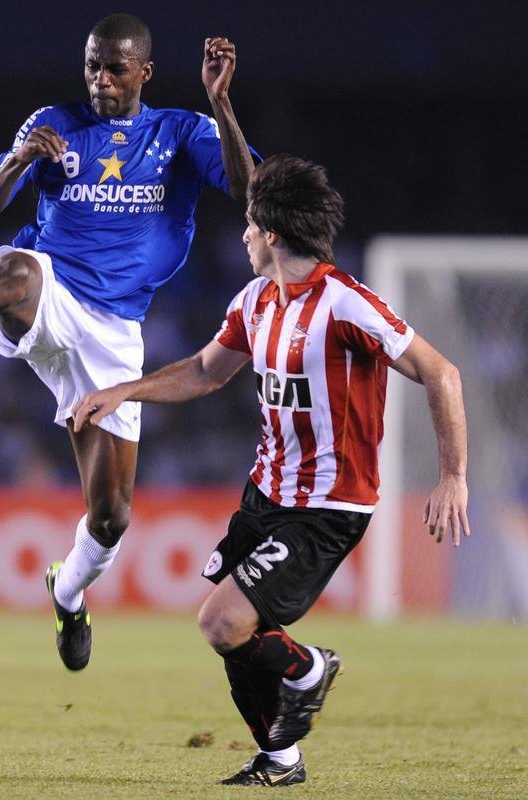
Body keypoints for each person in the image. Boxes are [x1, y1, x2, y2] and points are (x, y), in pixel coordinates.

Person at [0, 14, 255, 671]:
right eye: (92, 65)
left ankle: (67, 594)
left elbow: (248, 188)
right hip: (50, 291)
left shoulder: (182, 131)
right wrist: (18, 160)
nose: (100, 80)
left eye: (115, 68)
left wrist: (222, 102)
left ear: (144, 72)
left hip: (116, 333)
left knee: (113, 515)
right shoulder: (53, 123)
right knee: (9, 269)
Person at [71, 154, 469, 786]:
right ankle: (280, 759)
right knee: (239, 631)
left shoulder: (347, 304)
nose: (244, 235)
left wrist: (453, 475)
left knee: (220, 621)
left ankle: (309, 668)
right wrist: (125, 391)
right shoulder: (256, 300)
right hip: (263, 495)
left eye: (250, 225)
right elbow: (205, 371)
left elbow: (440, 372)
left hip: (328, 505)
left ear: (273, 233)